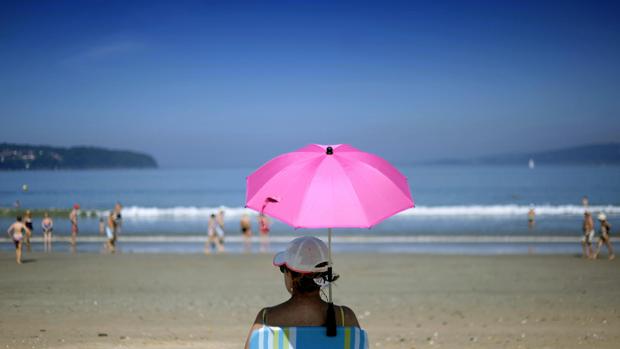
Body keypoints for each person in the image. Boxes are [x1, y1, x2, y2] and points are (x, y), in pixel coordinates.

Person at [244, 236, 360, 349]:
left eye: (283, 269)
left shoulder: (266, 319)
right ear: (325, 274)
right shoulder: (345, 318)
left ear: (290, 275)